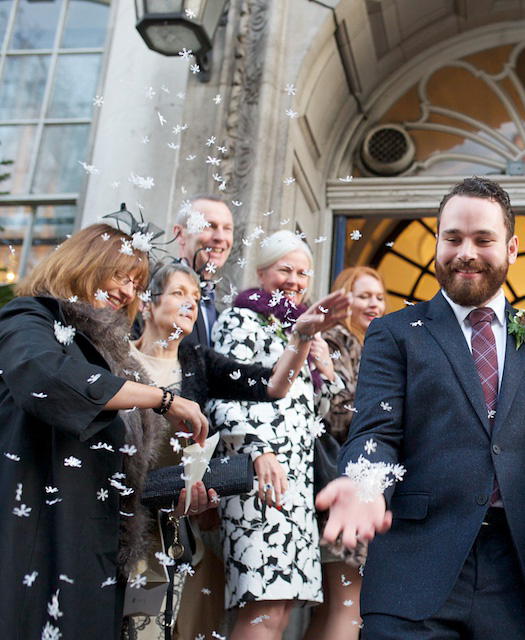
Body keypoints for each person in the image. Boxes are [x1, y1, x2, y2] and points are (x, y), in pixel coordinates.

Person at [317, 177, 525, 640]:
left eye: (482, 239)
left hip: (521, 573)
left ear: (511, 249)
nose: (465, 252)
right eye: (452, 238)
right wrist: (364, 483)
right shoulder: (395, 333)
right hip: (413, 567)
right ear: (437, 242)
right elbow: (377, 431)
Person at [0, 224, 208, 640]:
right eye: (121, 276)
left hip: (96, 540)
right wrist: (162, 399)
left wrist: (183, 489)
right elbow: (47, 377)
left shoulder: (117, 358)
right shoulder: (29, 316)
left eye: (137, 283)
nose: (128, 292)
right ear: (86, 264)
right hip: (38, 528)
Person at [125, 262, 347, 639]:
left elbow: (273, 385)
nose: (190, 304)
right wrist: (165, 401)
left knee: (154, 629)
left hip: (168, 523)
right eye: (179, 293)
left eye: (196, 297)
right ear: (147, 303)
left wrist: (302, 336)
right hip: (114, 516)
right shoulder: (119, 359)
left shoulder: (197, 362)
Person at [207, 230, 344, 639]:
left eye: (303, 272)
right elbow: (220, 395)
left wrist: (327, 370)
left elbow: (316, 417)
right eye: (285, 269)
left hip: (296, 483)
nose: (295, 280)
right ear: (262, 271)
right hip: (258, 477)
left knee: (281, 608)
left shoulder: (306, 330)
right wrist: (255, 449)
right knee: (263, 609)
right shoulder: (240, 319)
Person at [304, 266, 387, 640]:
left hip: (356, 485)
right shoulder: (335, 342)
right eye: (364, 295)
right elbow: (336, 414)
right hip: (343, 482)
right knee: (347, 604)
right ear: (343, 299)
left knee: (332, 609)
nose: (374, 303)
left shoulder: (375, 345)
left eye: (380, 297)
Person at [172, 195, 235, 347]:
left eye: (227, 229)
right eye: (209, 226)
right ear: (180, 234)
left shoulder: (223, 311)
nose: (220, 237)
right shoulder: (158, 290)